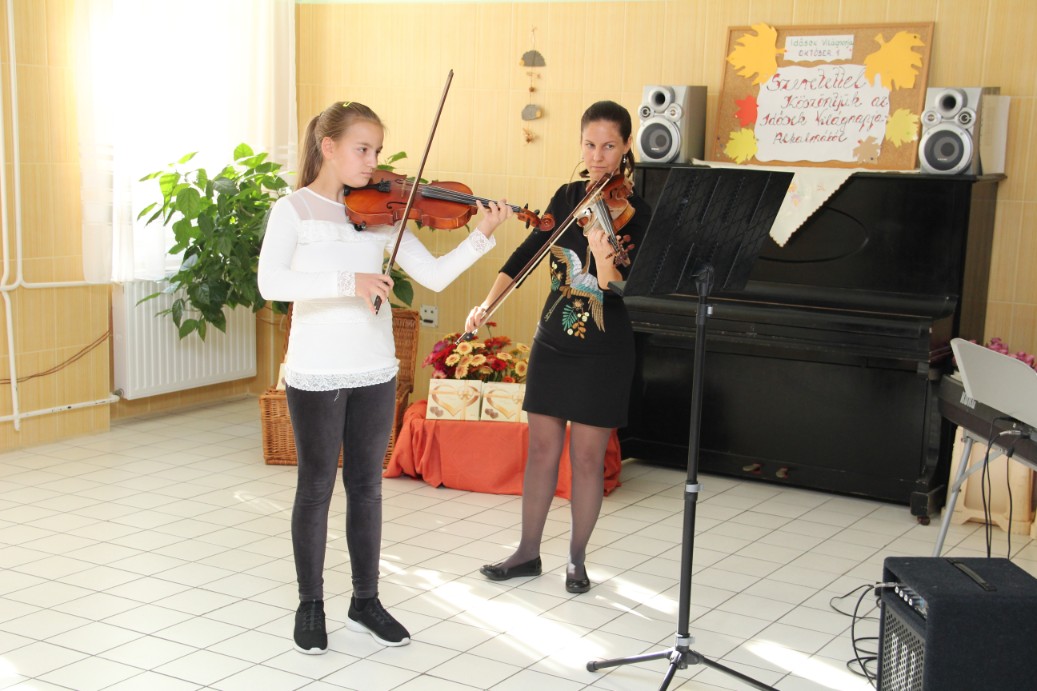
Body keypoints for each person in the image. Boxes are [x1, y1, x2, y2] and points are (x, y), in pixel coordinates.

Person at [259, 101, 510, 654]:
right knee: (315, 489)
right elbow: (271, 283)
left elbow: (436, 277)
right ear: (328, 147)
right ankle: (310, 605)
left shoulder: (382, 215)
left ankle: (365, 602)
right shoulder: (293, 210)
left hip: (373, 366)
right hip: (317, 368)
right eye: (363, 149)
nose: (374, 162)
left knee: (367, 488)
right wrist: (348, 280)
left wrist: (481, 234)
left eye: (376, 150)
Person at [468, 101, 651, 594]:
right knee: (542, 451)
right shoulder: (567, 196)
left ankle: (576, 559)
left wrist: (602, 249)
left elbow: (617, 287)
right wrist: (486, 303)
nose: (597, 156)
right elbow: (527, 254)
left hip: (604, 350)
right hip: (553, 340)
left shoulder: (638, 212)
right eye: (589, 145)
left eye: (608, 146)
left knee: (587, 459)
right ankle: (527, 553)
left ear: (626, 147)